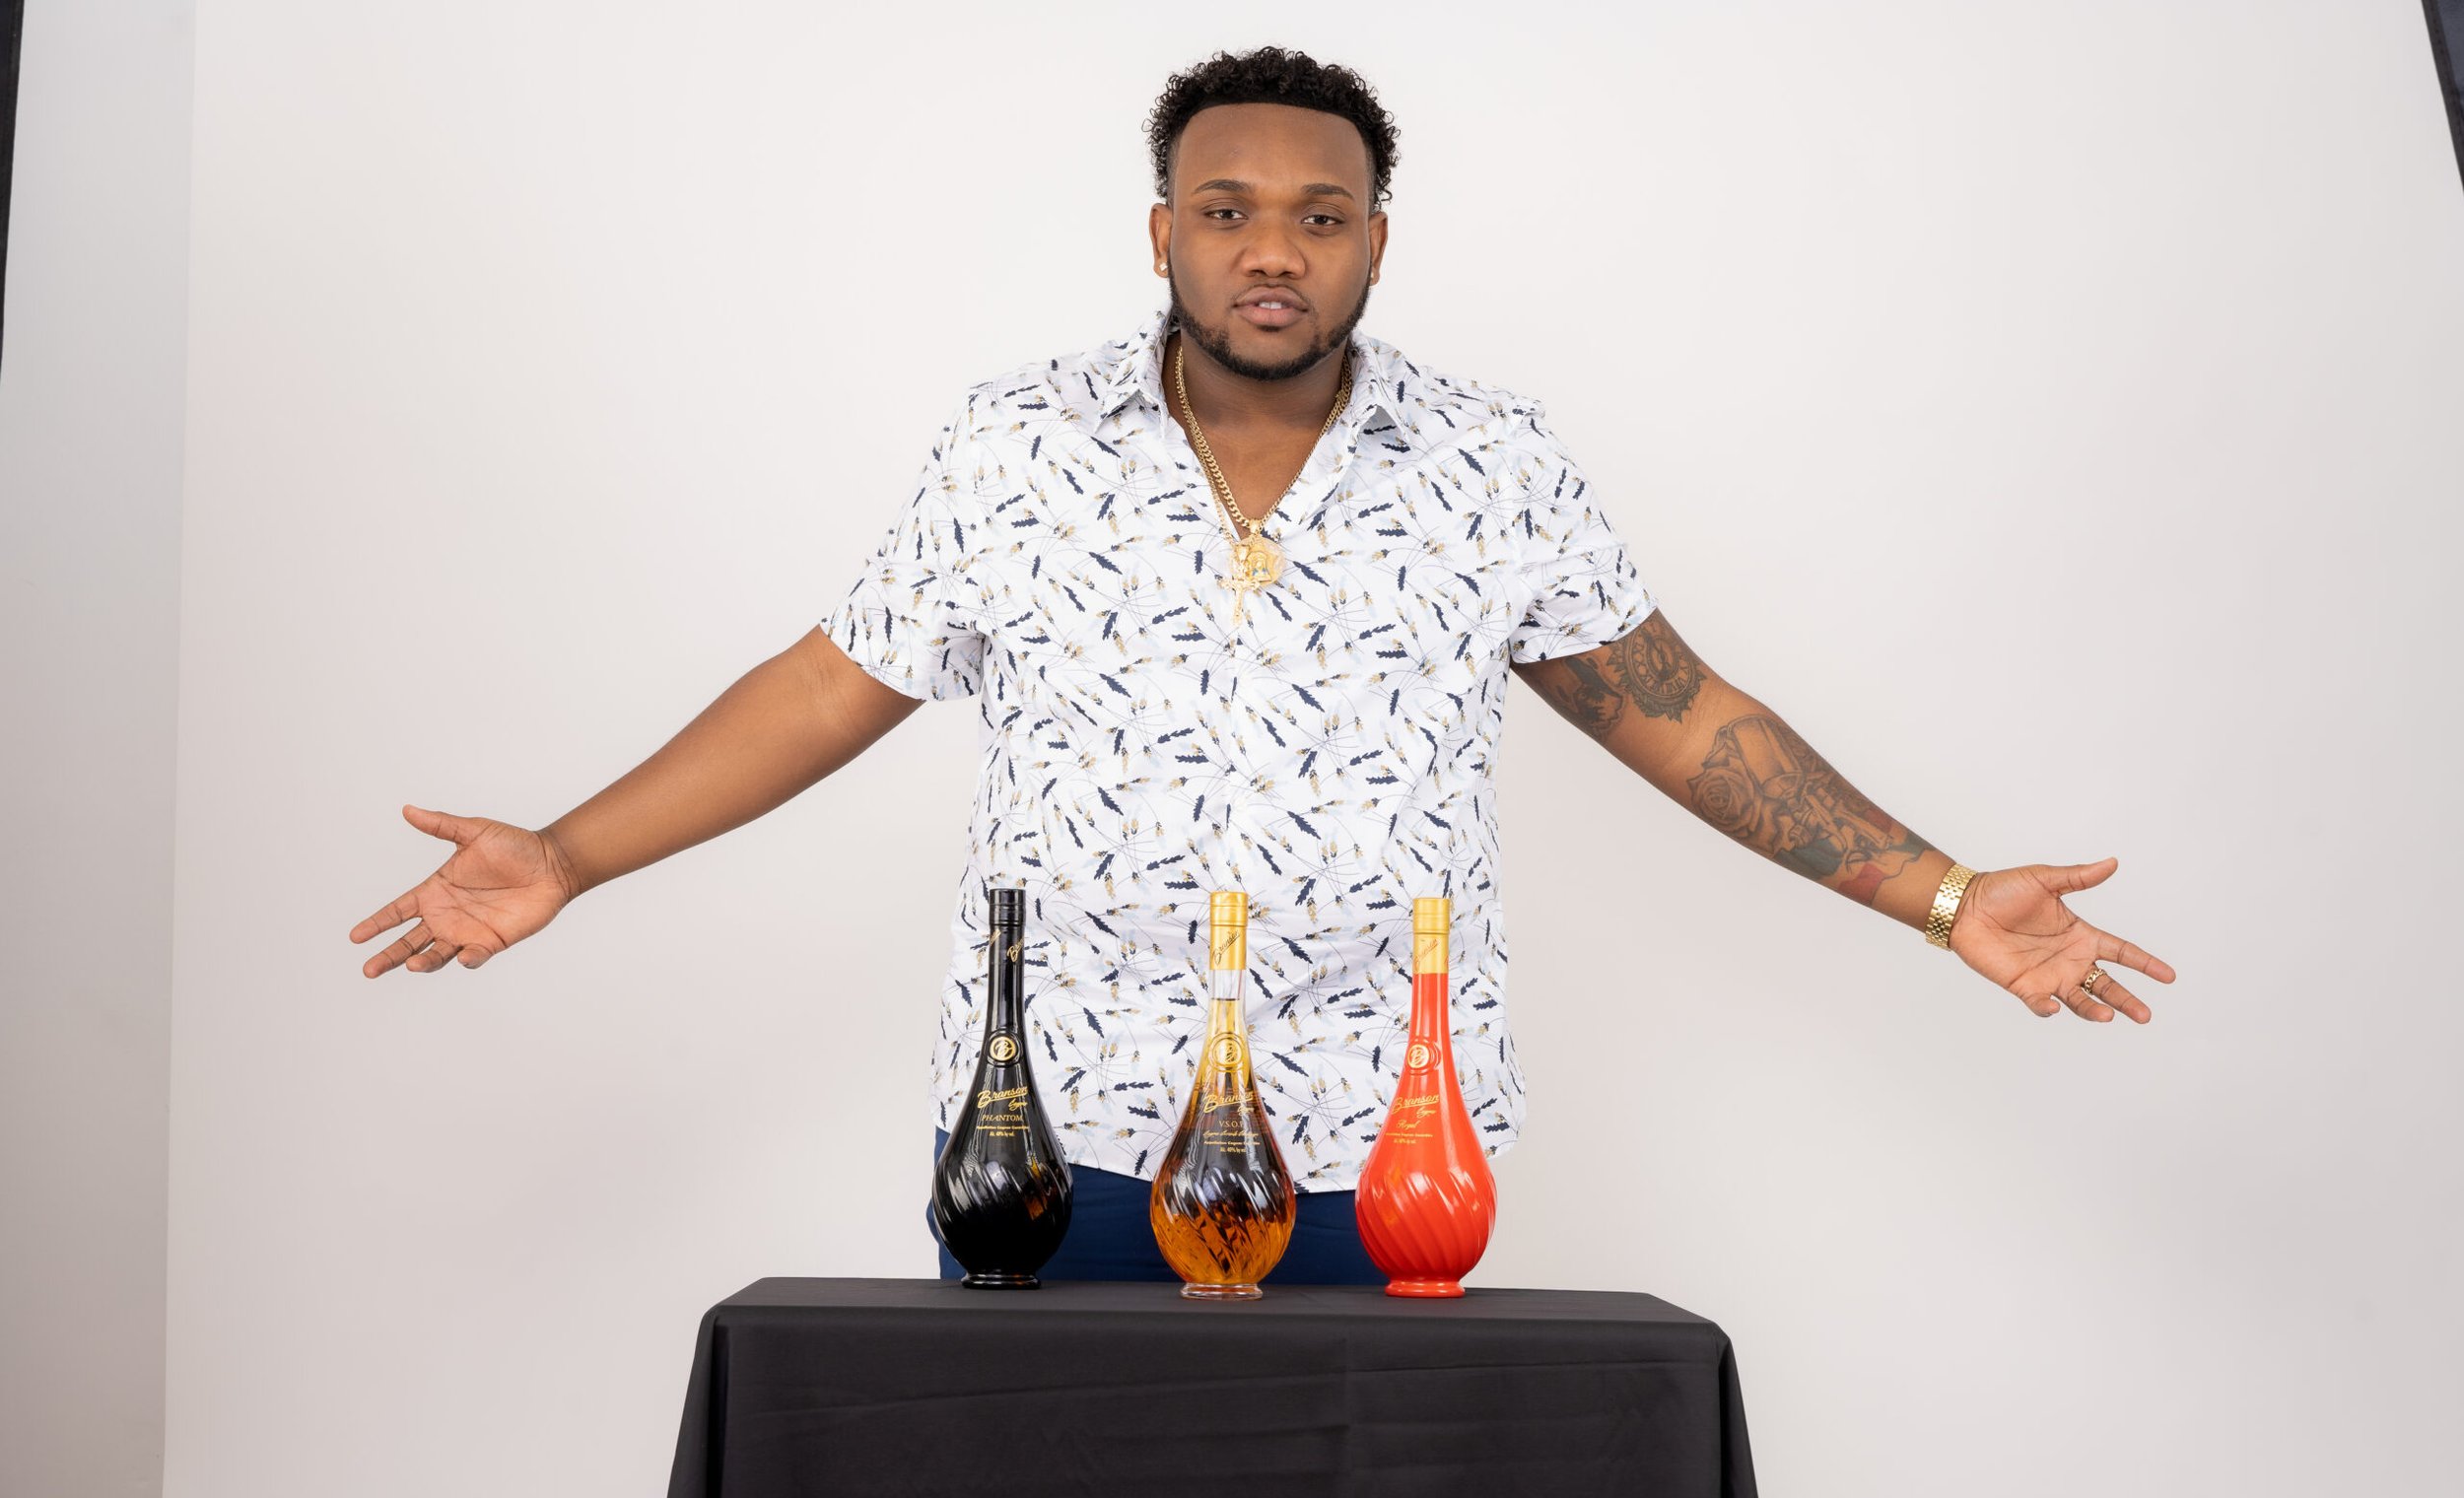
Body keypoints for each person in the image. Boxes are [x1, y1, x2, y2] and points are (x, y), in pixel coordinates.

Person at [348, 47, 2174, 1283]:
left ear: (1376, 238)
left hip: (1382, 1143)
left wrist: (1942, 900)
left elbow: (1683, 712)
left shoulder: (1491, 461)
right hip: (1049, 1121)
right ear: (1165, 234)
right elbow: (835, 683)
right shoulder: (1016, 444)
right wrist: (571, 855)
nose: (1272, 250)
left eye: (1320, 212)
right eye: (1226, 211)